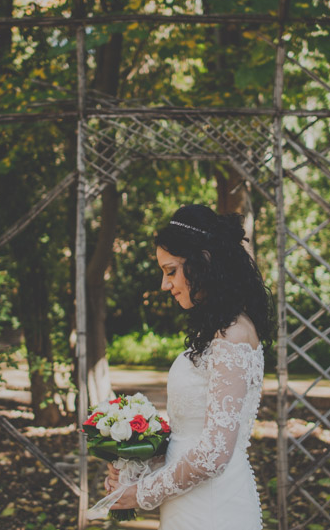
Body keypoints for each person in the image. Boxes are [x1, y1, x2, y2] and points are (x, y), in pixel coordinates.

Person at [103, 204, 273, 530]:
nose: (164, 285)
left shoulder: (233, 335)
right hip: (188, 505)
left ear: (203, 263)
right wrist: (136, 465)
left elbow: (214, 453)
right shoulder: (216, 332)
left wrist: (141, 494)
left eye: (170, 271)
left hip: (214, 509)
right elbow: (190, 439)